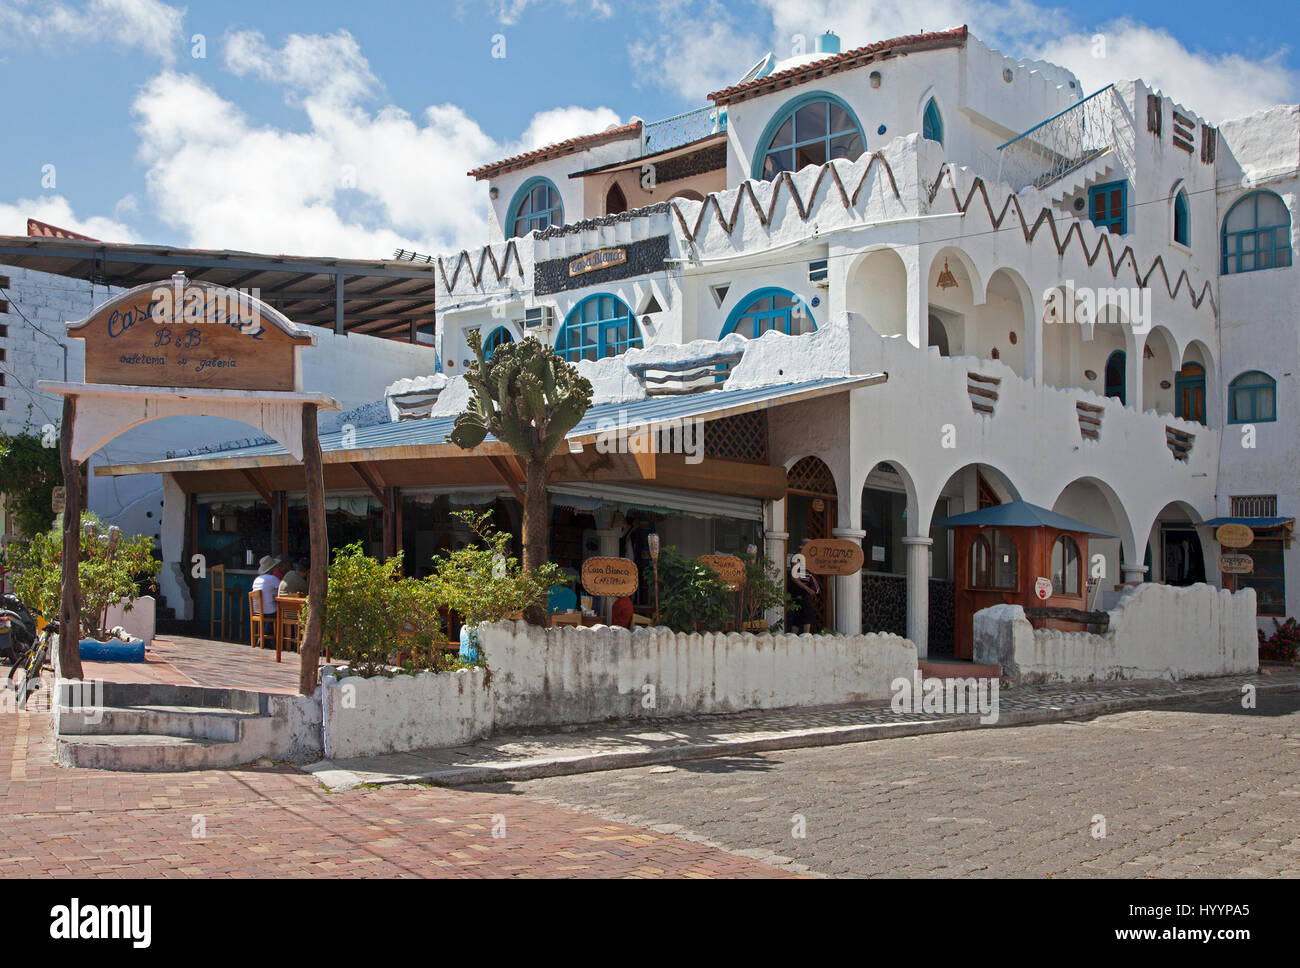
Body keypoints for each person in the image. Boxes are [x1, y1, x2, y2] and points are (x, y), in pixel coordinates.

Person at [250, 556, 287, 620]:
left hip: (257, 611)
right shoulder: (272, 578)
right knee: (286, 614)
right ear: (272, 568)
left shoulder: (257, 579)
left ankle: (268, 630)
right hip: (270, 612)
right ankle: (276, 630)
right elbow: (283, 589)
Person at [787, 569, 820, 634]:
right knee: (806, 613)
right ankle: (805, 634)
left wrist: (809, 589)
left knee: (801, 615)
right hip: (794, 599)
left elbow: (816, 589)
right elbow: (794, 579)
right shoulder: (793, 573)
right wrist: (807, 589)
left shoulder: (807, 575)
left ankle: (804, 635)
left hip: (798, 598)